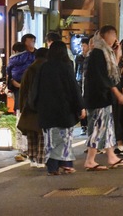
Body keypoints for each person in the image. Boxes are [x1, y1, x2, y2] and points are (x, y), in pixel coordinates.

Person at [32, 40, 87, 175]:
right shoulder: (66, 66)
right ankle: (66, 164)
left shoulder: (43, 67)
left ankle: (53, 167)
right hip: (64, 110)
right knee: (65, 138)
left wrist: (34, 105)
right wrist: (80, 107)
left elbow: (35, 89)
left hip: (47, 111)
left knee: (50, 139)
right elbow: (74, 89)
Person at [81, 31, 123, 170]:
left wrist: (117, 55)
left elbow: (108, 72)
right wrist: (117, 92)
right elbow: (104, 76)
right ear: (107, 37)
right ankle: (90, 160)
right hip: (97, 97)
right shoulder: (97, 53)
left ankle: (111, 157)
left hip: (101, 97)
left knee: (107, 128)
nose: (115, 39)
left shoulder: (104, 53)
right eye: (114, 36)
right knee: (98, 127)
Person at [17, 47, 48, 168]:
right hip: (42, 106)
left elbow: (23, 90)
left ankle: (32, 158)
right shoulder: (46, 69)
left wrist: (22, 107)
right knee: (42, 133)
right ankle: (41, 159)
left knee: (31, 133)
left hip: (28, 106)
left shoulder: (29, 70)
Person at [7, 34, 36, 111]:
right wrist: (12, 81)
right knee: (19, 107)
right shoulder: (29, 56)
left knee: (30, 108)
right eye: (29, 42)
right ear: (24, 43)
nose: (31, 44)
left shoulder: (37, 54)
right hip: (18, 86)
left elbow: (9, 69)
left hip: (32, 86)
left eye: (32, 42)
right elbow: (10, 73)